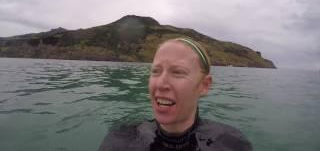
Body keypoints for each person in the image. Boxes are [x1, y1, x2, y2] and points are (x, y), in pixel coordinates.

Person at [99, 37, 253, 151]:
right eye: (155, 71)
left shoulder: (232, 144)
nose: (160, 83)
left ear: (204, 85)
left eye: (178, 72)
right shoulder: (122, 138)